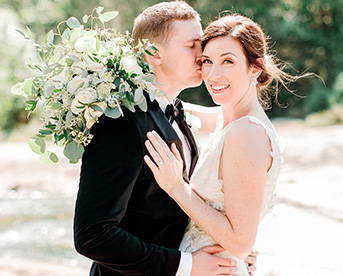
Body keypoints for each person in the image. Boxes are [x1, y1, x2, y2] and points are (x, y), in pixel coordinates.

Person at [73, 2, 256, 276]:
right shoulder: (121, 121)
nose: (203, 53)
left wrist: (228, 250)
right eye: (191, 45)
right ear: (153, 52)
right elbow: (93, 235)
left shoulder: (174, 110)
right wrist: (186, 265)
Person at [143, 13, 293, 276]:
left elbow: (240, 241)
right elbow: (172, 106)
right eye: (207, 61)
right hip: (208, 263)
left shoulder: (246, 133)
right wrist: (117, 90)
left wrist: (178, 187)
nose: (213, 74)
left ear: (255, 68)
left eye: (228, 61)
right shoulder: (229, 118)